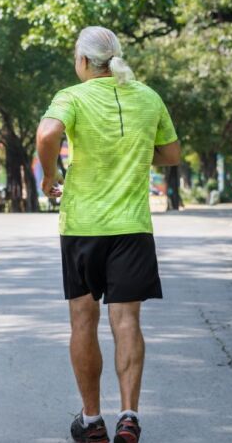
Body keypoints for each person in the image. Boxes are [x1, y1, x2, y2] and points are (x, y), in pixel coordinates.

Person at [36, 26, 180, 443]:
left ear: (83, 61)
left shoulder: (72, 97)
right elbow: (171, 154)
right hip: (132, 227)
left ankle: (92, 419)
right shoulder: (148, 96)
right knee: (127, 320)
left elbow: (47, 134)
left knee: (84, 320)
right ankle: (129, 416)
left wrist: (50, 175)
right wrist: (132, 151)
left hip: (82, 227)